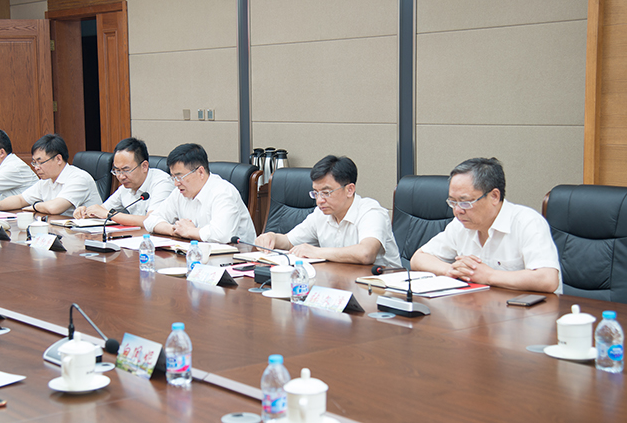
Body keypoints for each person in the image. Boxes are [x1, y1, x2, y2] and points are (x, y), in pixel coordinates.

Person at [410, 157, 561, 293]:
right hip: (480, 307)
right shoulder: (460, 225)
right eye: (453, 202)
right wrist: (452, 270)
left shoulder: (527, 222)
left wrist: (489, 275)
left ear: (494, 196)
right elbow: (418, 258)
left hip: (528, 310)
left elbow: (547, 279)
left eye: (465, 202)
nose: (457, 211)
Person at [254, 156, 401, 266]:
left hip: (383, 290)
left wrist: (316, 252)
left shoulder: (371, 212)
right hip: (341, 282)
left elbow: (366, 254)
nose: (319, 200)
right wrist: (272, 237)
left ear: (349, 190)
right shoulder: (321, 214)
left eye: (326, 193)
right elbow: (289, 241)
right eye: (316, 193)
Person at [143, 143, 256, 244]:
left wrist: (189, 231)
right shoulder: (180, 192)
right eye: (173, 177)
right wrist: (175, 230)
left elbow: (222, 235)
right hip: (199, 253)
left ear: (200, 172)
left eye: (179, 177)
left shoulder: (223, 192)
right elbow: (150, 220)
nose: (176, 183)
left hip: (238, 256)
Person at [0, 134, 101, 217]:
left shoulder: (79, 178)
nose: (36, 167)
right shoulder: (46, 180)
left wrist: (35, 206)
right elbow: (20, 199)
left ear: (58, 159)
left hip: (88, 236)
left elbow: (55, 207)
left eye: (41, 162)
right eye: (34, 162)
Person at [73, 138, 174, 226]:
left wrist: (109, 214)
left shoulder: (162, 183)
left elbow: (151, 220)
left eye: (126, 170)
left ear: (144, 166)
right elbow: (102, 210)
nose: (121, 177)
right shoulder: (126, 187)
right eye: (117, 170)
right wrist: (86, 212)